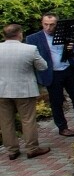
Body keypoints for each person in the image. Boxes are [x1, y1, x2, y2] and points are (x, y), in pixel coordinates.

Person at [27, 13, 74, 137]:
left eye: (52, 25)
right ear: (42, 23)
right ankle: (62, 127)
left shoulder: (64, 34)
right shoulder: (34, 38)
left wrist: (71, 48)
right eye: (46, 24)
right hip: (51, 72)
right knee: (56, 101)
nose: (48, 27)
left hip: (68, 69)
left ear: (57, 24)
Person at [0, 24, 49, 160]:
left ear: (4, 35)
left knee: (5, 122)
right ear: (20, 34)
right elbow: (43, 66)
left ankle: (12, 150)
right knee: (27, 120)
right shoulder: (30, 49)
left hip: (2, 91)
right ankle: (32, 148)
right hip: (24, 90)